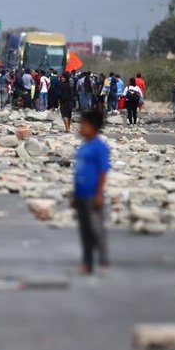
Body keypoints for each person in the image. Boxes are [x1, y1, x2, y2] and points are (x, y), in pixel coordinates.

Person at [73, 110, 111, 275]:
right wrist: (74, 194)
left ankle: (104, 262)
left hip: (92, 194)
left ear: (93, 127)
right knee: (84, 230)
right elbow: (78, 171)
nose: (80, 127)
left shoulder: (99, 147)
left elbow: (103, 172)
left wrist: (99, 194)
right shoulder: (84, 147)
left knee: (97, 229)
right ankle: (87, 263)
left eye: (83, 124)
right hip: (80, 194)